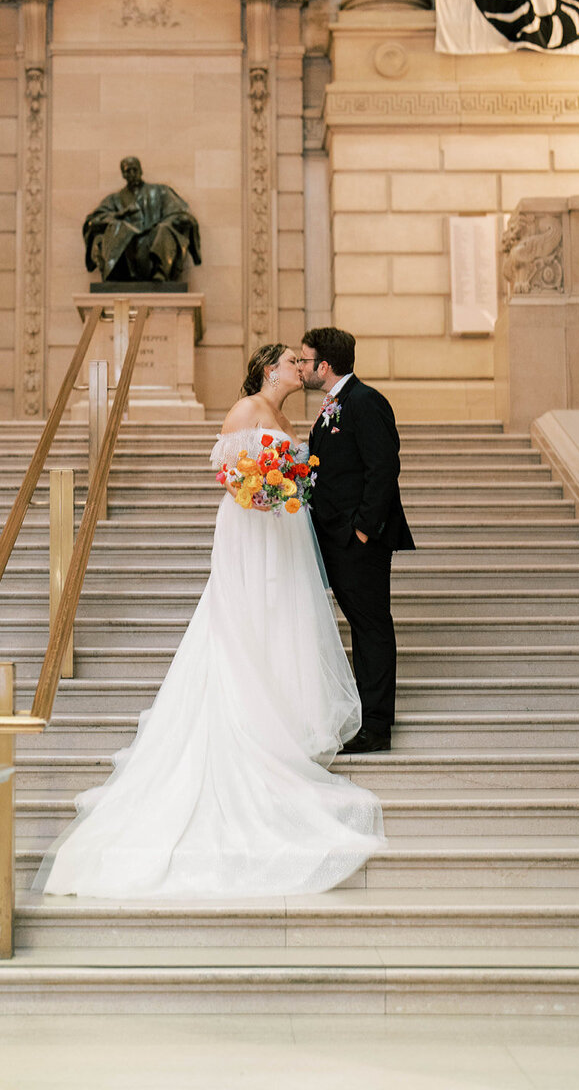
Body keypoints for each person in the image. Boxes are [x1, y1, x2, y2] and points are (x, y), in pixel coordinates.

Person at [33, 343, 384, 900]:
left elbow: (296, 471)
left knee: (279, 622)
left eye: (303, 362)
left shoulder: (288, 417)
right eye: (294, 361)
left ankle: (280, 715)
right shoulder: (246, 409)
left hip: (283, 528)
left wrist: (288, 483)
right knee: (245, 620)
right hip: (251, 527)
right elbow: (226, 470)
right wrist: (263, 488)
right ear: (271, 369)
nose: (301, 368)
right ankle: (249, 717)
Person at [299, 327, 415, 754]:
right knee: (362, 627)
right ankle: (364, 716)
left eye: (305, 359)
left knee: (371, 627)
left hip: (358, 540)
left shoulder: (366, 402)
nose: (301, 366)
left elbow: (383, 468)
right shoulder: (335, 404)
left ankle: (377, 726)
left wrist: (362, 530)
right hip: (334, 537)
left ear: (324, 365)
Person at [83, 156, 201, 282]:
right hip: (127, 245)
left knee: (164, 228)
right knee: (115, 229)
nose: (132, 174)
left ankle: (160, 272)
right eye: (128, 171)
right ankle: (116, 272)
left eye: (135, 170)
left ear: (141, 170)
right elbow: (94, 220)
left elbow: (178, 212)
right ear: (123, 174)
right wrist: (119, 215)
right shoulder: (114, 200)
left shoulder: (160, 192)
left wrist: (180, 220)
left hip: (154, 238)